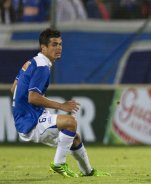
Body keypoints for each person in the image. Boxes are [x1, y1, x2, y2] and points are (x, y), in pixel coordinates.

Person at [10, 28, 110, 178]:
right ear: (43, 48)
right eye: (54, 45)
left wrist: (21, 107)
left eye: (60, 44)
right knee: (70, 122)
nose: (59, 48)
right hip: (30, 121)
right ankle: (58, 164)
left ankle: (88, 172)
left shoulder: (31, 62)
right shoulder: (42, 67)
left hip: (29, 117)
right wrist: (61, 106)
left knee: (74, 138)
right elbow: (33, 97)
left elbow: (13, 88)